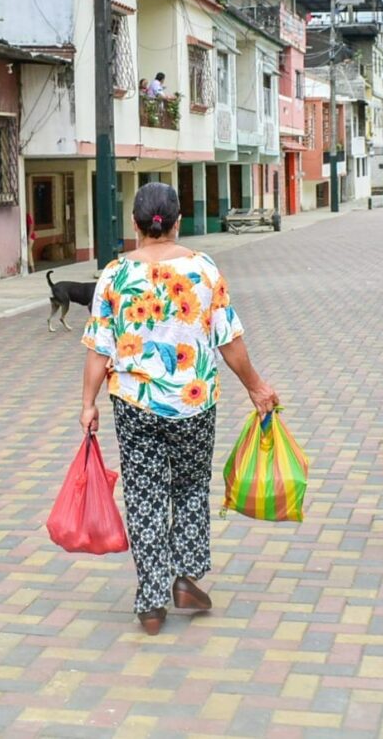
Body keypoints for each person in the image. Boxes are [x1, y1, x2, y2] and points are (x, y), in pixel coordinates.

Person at [81, 182, 279, 635]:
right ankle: (185, 577)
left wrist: (87, 403)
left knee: (144, 495)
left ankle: (151, 603)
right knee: (189, 488)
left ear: (135, 223)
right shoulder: (204, 270)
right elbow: (228, 339)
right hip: (194, 402)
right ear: (177, 220)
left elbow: (98, 348)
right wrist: (256, 387)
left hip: (135, 404)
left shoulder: (113, 275)